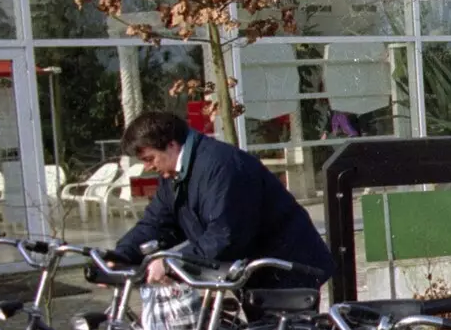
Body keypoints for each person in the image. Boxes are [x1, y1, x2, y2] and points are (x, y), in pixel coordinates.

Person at [113, 110, 333, 289]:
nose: (147, 167)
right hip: (254, 269)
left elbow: (225, 234)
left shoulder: (220, 166)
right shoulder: (175, 174)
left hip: (286, 267)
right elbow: (157, 222)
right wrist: (121, 254)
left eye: (149, 158)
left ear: (172, 144)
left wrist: (172, 262)